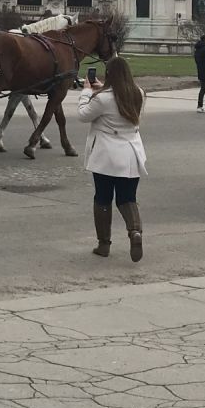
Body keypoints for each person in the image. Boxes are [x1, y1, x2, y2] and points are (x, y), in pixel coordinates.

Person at [75, 56, 147, 261]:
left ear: (108, 75)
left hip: (106, 155)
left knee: (103, 198)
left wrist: (87, 92)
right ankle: (135, 232)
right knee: (127, 198)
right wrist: (100, 89)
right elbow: (118, 97)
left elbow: (83, 115)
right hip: (131, 153)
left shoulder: (102, 98)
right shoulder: (138, 93)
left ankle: (104, 244)